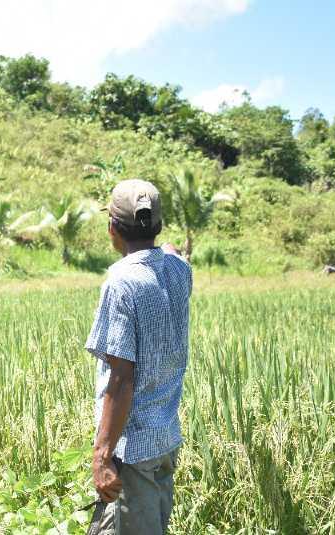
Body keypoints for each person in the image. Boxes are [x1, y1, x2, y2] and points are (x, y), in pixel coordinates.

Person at [84, 179, 192, 535]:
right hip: (164, 441)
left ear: (112, 228)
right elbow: (174, 253)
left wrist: (102, 456)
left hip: (133, 452)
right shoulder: (180, 271)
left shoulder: (121, 283)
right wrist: (171, 249)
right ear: (158, 226)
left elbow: (121, 379)